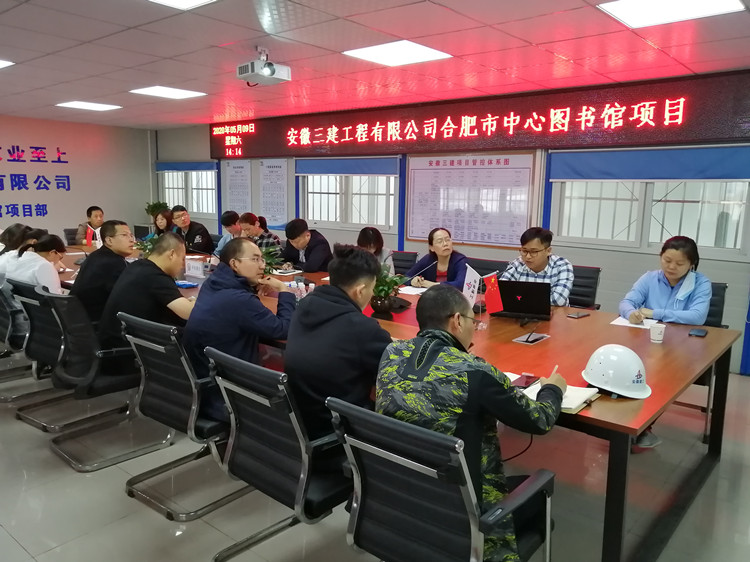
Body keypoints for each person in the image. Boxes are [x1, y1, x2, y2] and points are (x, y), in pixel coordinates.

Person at [376, 284, 565, 562]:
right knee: (535, 491)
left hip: (400, 500)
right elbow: (540, 419)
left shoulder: (391, 353)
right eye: (472, 322)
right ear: (457, 320)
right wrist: (553, 389)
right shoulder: (474, 371)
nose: (473, 329)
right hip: (464, 519)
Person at [285, 245, 392, 440]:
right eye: (372, 288)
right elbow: (395, 374)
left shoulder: (303, 306)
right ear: (360, 291)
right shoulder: (363, 328)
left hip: (301, 425)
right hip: (341, 433)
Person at [183, 238, 296, 421]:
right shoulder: (239, 299)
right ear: (235, 264)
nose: (262, 265)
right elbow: (284, 329)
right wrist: (284, 291)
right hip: (230, 397)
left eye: (262, 259)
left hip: (206, 386)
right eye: (255, 259)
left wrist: (252, 290)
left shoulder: (213, 283)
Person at [619, 236, 712, 451]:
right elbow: (626, 302)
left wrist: (655, 313)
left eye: (679, 263)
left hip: (682, 349)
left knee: (656, 375)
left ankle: (641, 427)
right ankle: (625, 421)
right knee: (627, 366)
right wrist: (631, 312)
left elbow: (697, 316)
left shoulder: (701, 283)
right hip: (647, 343)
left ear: (692, 264)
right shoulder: (649, 278)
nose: (671, 267)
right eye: (667, 260)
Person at [98, 232, 195, 350]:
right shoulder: (155, 277)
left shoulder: (137, 266)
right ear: (172, 254)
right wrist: (195, 301)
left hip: (115, 341)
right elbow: (189, 313)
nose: (183, 265)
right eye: (182, 259)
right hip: (128, 348)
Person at [70, 220, 134, 322]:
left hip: (79, 320)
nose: (131, 240)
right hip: (96, 322)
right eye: (124, 235)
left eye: (131, 235)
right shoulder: (114, 263)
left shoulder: (96, 255)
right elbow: (126, 298)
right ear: (109, 240)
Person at [500, 227, 574, 306]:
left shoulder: (562, 266)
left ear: (548, 251)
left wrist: (520, 298)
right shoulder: (518, 263)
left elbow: (558, 300)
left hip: (554, 312)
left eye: (534, 252)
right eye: (524, 251)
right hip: (522, 311)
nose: (528, 256)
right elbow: (500, 292)